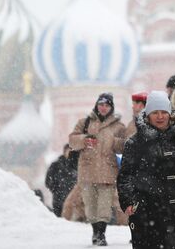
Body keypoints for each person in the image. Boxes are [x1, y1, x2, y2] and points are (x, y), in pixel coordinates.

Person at [118, 91, 175, 249]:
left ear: (170, 113)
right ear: (148, 114)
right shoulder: (135, 143)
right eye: (155, 112)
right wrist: (128, 200)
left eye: (164, 112)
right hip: (148, 211)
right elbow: (125, 176)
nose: (160, 116)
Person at [69, 92, 126, 246]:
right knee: (90, 205)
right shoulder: (85, 122)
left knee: (104, 206)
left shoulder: (118, 126)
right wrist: (84, 140)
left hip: (108, 171)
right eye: (101, 104)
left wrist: (114, 141)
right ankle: (95, 232)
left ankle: (101, 234)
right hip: (88, 171)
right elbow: (72, 141)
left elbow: (125, 146)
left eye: (107, 105)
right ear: (96, 105)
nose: (103, 107)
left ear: (111, 107)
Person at [45, 144, 77, 217]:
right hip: (58, 200)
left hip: (73, 202)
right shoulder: (56, 165)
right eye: (69, 151)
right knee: (59, 222)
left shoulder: (77, 166)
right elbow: (48, 181)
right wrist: (56, 191)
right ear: (64, 151)